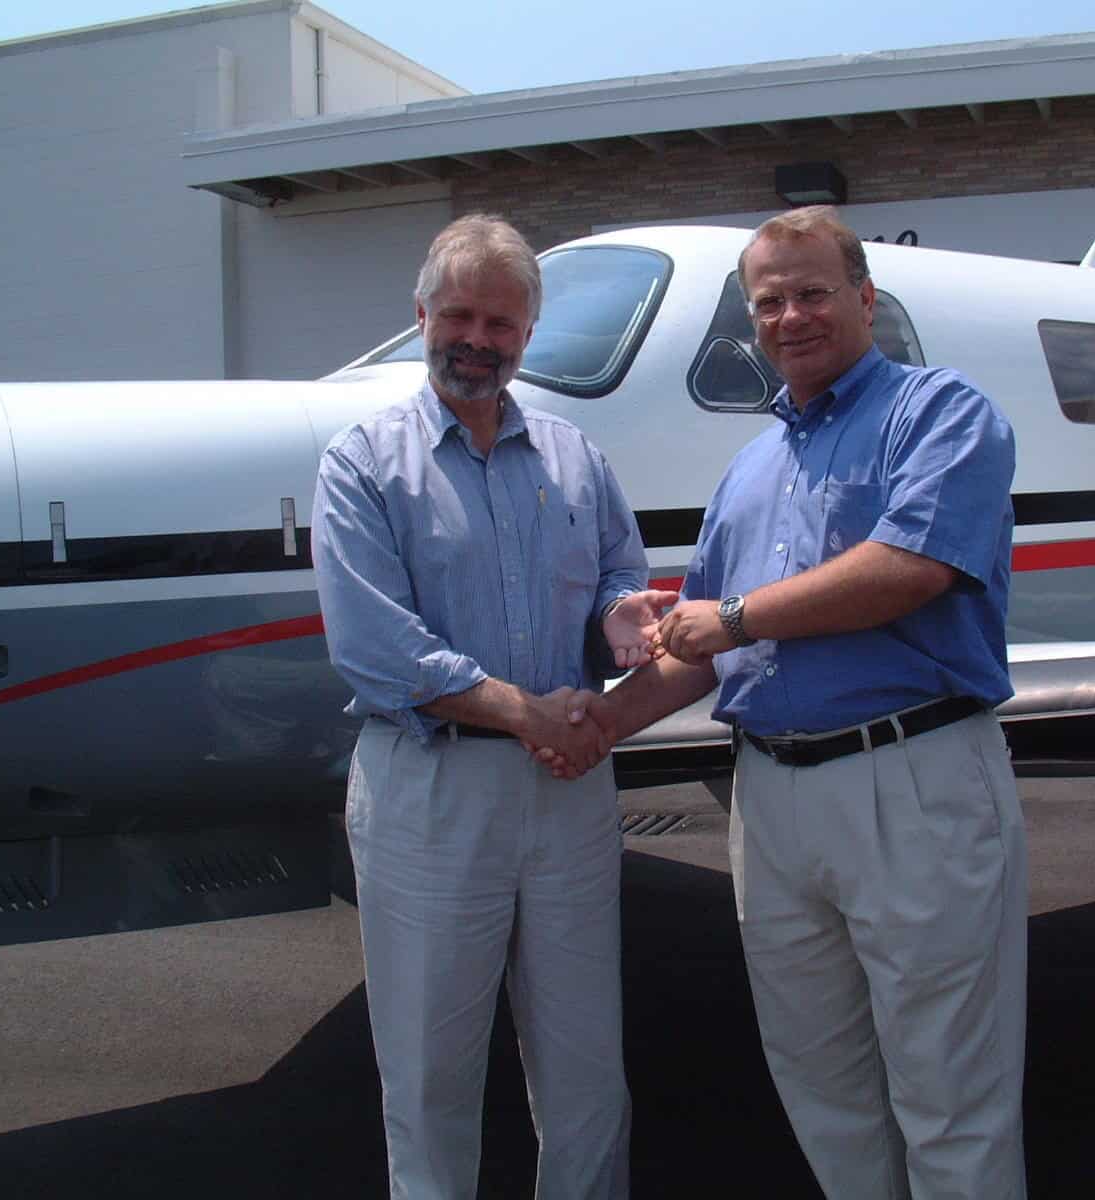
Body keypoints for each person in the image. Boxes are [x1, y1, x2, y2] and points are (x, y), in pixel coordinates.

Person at [552, 206, 1026, 1198]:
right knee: (820, 1079)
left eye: (812, 292)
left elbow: (908, 569)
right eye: (768, 302)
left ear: (864, 298)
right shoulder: (752, 467)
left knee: (949, 1090)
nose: (790, 316)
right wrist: (598, 722)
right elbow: (704, 651)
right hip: (769, 797)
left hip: (910, 781)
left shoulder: (941, 414)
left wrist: (726, 616)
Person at [311, 213, 674, 1200]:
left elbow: (615, 578)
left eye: (502, 323)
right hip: (431, 793)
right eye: (459, 315)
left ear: (530, 331)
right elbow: (378, 650)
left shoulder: (574, 458)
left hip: (564, 794)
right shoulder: (361, 465)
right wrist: (526, 713)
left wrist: (623, 619)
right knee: (430, 1077)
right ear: (422, 313)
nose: (478, 339)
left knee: (588, 1067)